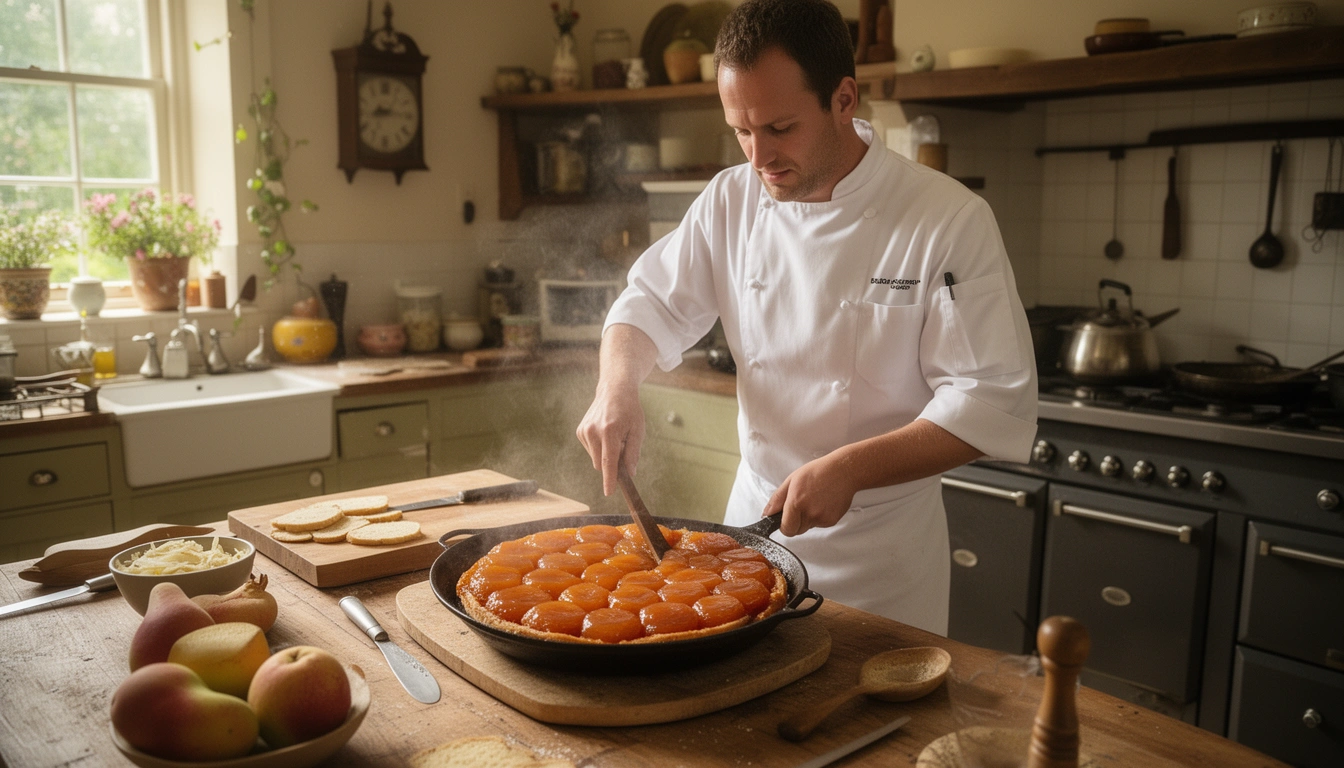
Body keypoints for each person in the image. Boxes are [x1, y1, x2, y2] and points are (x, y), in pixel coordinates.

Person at [576, 0, 1037, 635]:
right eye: (741, 130)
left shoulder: (947, 219)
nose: (758, 156)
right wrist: (615, 387)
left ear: (843, 99)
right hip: (754, 534)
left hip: (883, 559)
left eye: (780, 127)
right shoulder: (730, 199)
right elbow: (647, 303)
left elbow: (991, 403)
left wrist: (850, 468)